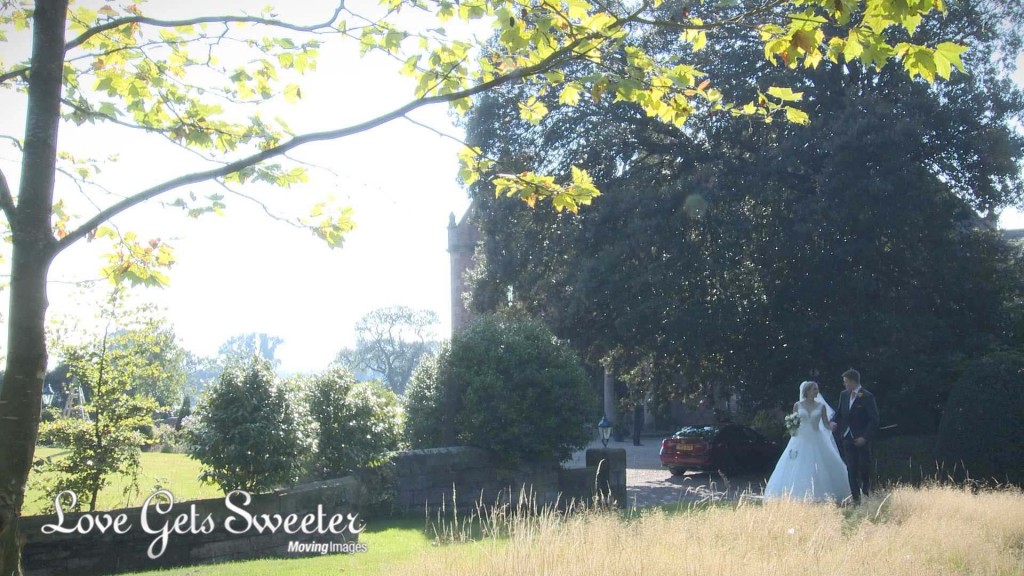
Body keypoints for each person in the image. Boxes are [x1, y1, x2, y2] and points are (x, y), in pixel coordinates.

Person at [764, 381, 851, 503]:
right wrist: (791, 427)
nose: (816, 392)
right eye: (814, 389)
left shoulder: (821, 406)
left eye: (817, 389)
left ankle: (819, 496)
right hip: (800, 439)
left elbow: (825, 424)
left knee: (818, 465)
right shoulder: (797, 405)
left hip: (816, 438)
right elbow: (794, 421)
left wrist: (832, 425)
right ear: (808, 391)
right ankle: (795, 495)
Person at [829, 368, 879, 504]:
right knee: (851, 467)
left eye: (846, 382)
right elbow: (840, 412)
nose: (844, 385)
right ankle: (856, 498)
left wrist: (865, 437)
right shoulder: (844, 395)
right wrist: (833, 421)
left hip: (862, 437)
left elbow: (874, 419)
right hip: (847, 437)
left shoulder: (867, 396)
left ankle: (866, 492)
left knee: (864, 466)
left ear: (853, 382)